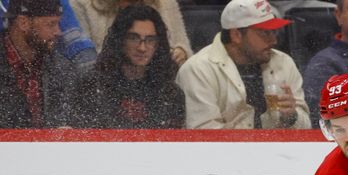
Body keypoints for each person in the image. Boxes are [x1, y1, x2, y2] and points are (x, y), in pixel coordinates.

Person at [176, 0, 310, 129]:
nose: (274, 40)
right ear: (236, 35)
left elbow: (307, 128)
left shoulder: (284, 62)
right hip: (223, 152)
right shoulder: (198, 69)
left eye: (274, 32)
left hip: (279, 151)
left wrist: (292, 118)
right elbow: (204, 135)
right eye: (265, 33)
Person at [73, 4, 184, 128]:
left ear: (158, 44)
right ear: (120, 40)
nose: (142, 48)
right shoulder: (91, 86)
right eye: (134, 38)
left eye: (150, 40)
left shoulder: (170, 93)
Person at [0, 0, 79, 127]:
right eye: (51, 24)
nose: (58, 31)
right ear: (23, 23)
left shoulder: (62, 68)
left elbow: (72, 116)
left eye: (58, 23)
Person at [69, 0, 191, 65]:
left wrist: (181, 52)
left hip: (158, 80)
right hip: (107, 81)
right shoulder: (81, 3)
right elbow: (85, 59)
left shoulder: (165, 2)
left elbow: (182, 44)